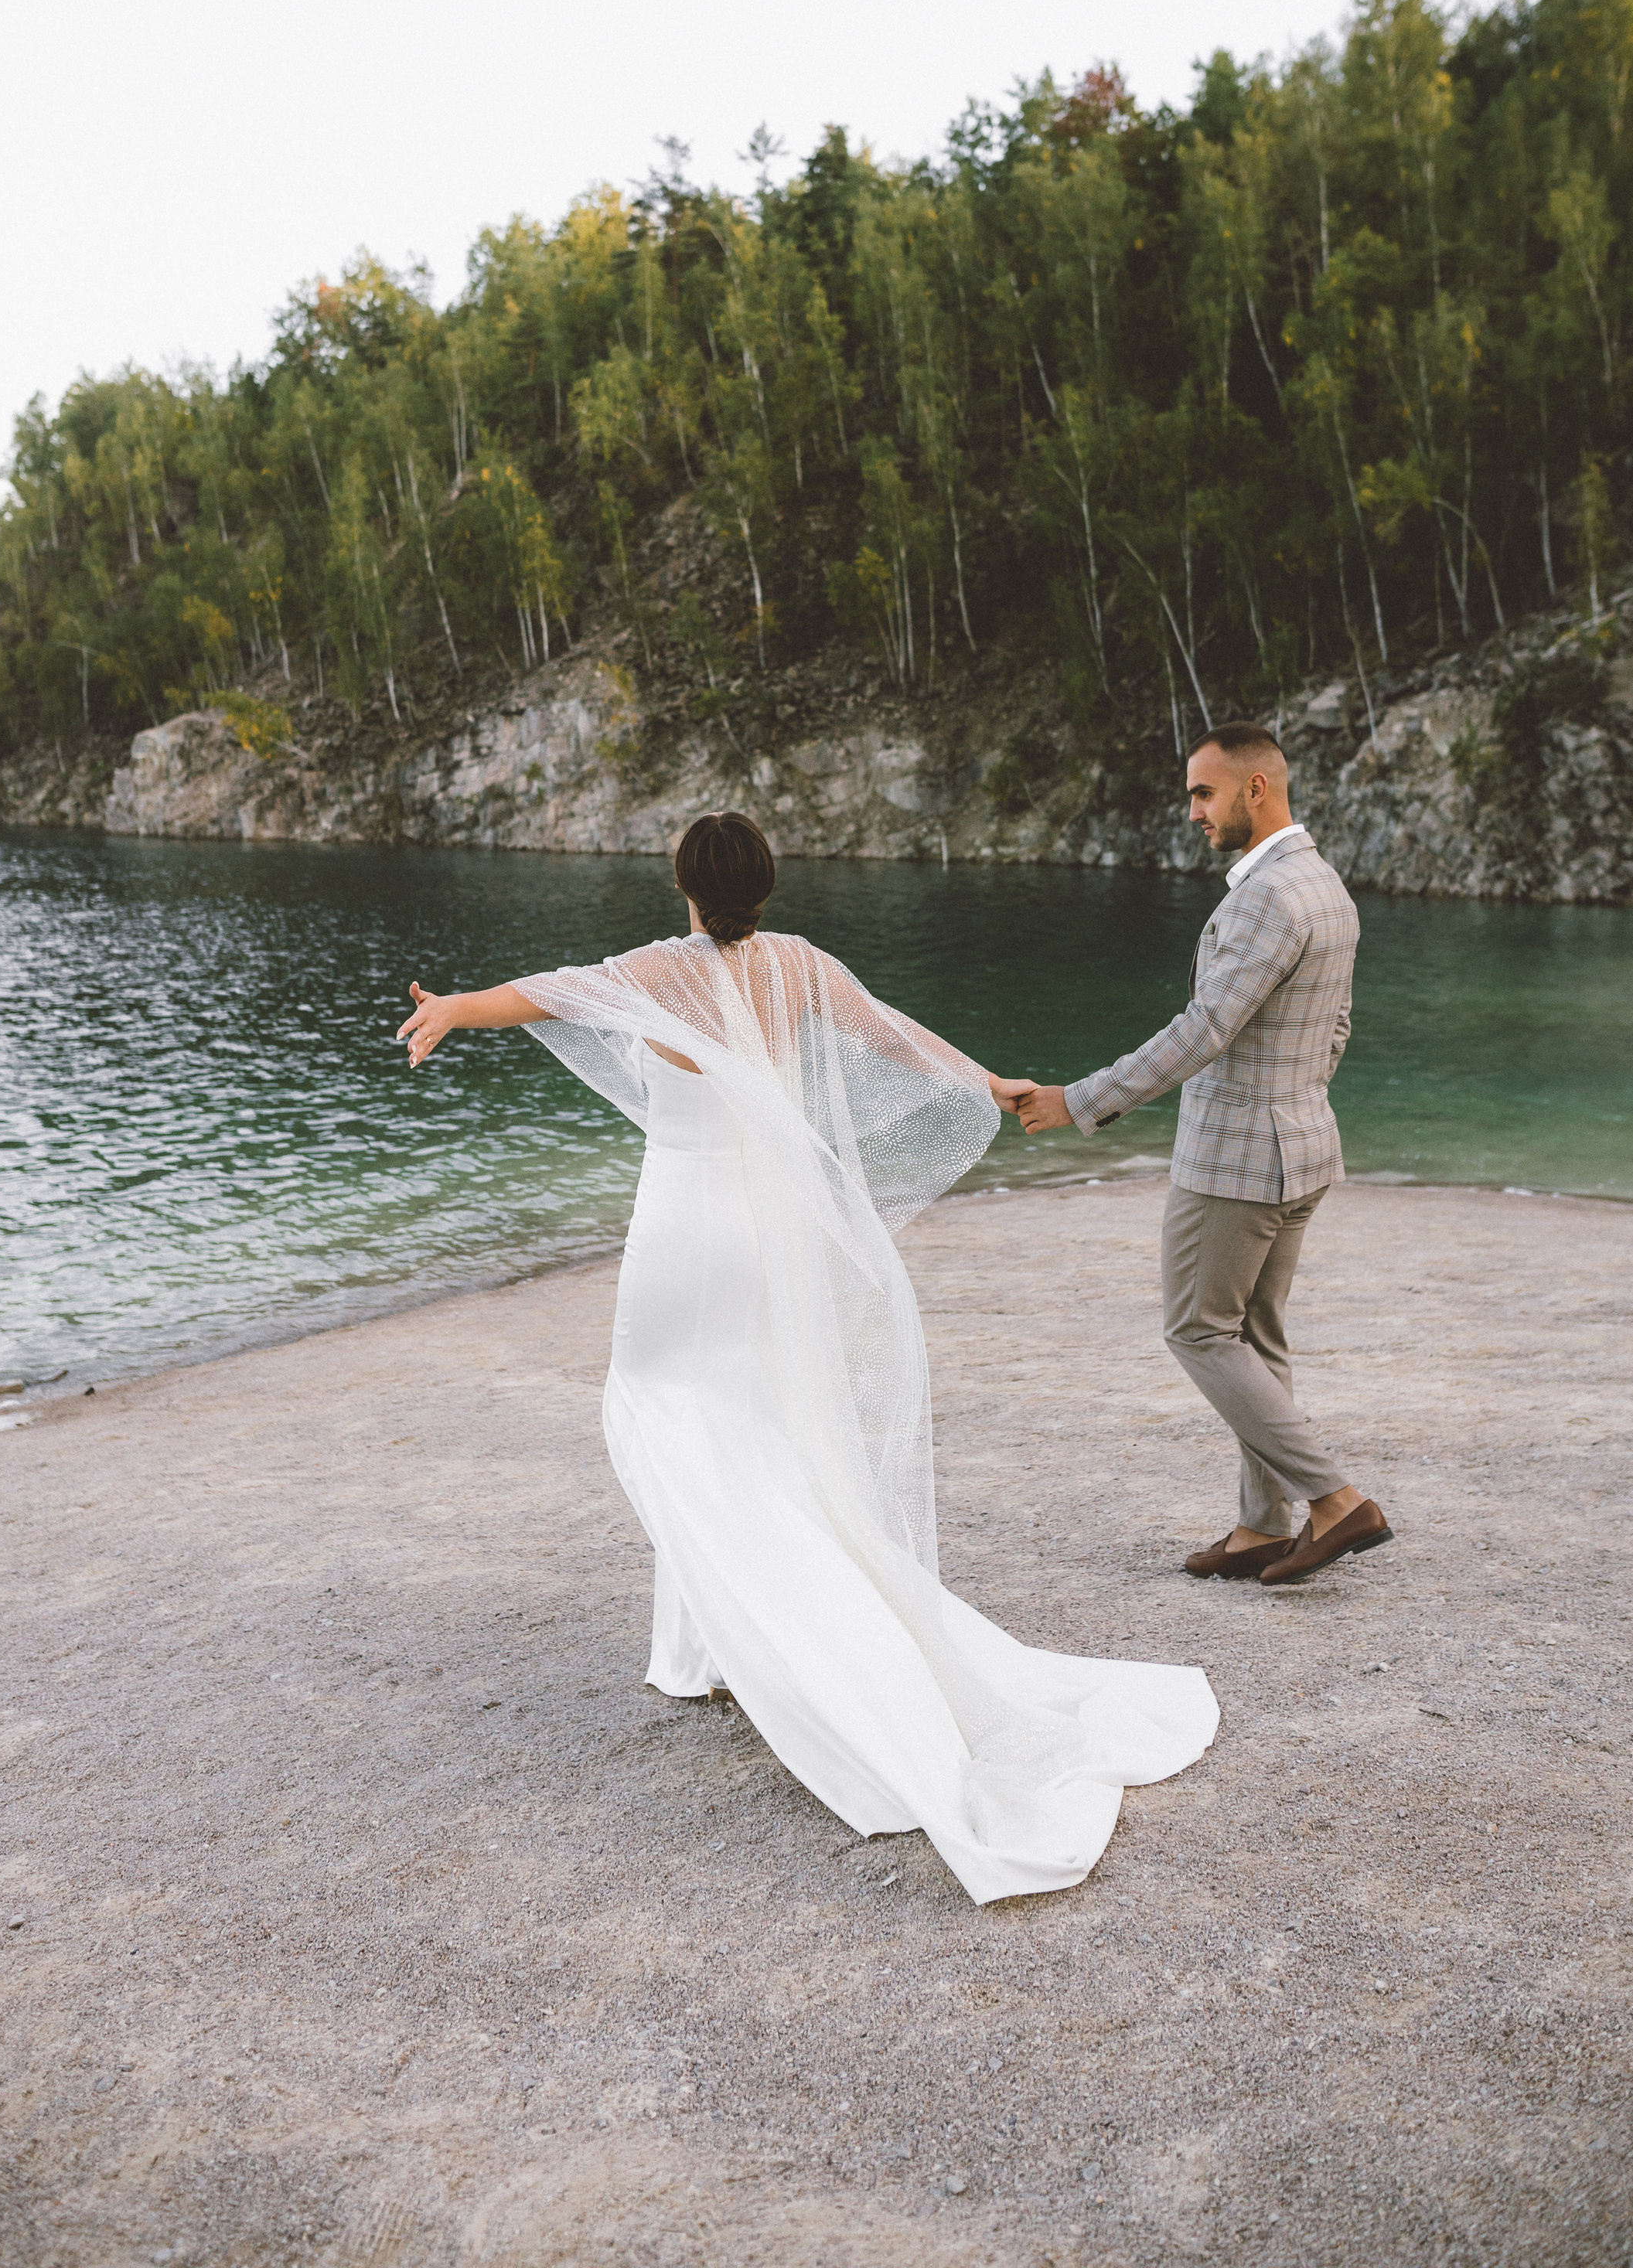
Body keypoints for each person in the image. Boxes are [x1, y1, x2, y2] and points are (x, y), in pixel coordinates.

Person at [397, 809, 1217, 1905]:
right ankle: (699, 1653)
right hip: (764, 1237)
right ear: (768, 886)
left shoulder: (655, 970)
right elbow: (897, 1037)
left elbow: (536, 995)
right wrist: (993, 1084)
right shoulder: (798, 968)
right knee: (742, 1423)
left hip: (686, 1233)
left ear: (685, 884)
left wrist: (449, 1010)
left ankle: (753, 1644)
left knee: (658, 1412)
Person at [1005, 726, 1391, 1590]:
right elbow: (1334, 1028)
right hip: (1303, 1148)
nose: (1191, 812)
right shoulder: (1324, 887)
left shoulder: (1267, 898)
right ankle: (1262, 1527)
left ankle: (1336, 1501)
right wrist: (1296, 1101)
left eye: (1203, 794)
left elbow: (1205, 1030)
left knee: (1195, 1329)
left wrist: (1081, 1099)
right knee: (1255, 1337)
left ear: (1257, 789)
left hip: (1238, 1162)